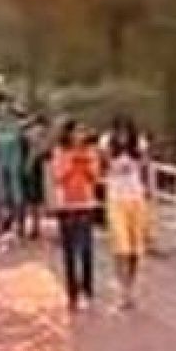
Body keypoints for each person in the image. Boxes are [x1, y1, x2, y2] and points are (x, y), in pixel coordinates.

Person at [50, 119, 102, 309]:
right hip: (66, 205)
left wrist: (87, 163)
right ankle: (72, 291)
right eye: (77, 132)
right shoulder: (60, 152)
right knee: (69, 251)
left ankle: (88, 290)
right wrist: (72, 161)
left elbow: (95, 177)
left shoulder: (91, 152)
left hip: (86, 204)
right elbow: (58, 176)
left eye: (83, 132)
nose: (80, 136)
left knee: (86, 249)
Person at [103, 118, 151, 308]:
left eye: (126, 133)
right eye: (120, 133)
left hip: (135, 197)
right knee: (121, 246)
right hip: (116, 197)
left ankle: (131, 286)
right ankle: (123, 290)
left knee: (135, 249)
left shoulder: (139, 143)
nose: (123, 137)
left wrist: (148, 190)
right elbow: (104, 164)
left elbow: (145, 166)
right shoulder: (106, 141)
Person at [0, 100, 26, 239]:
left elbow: (26, 122)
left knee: (17, 196)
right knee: (2, 196)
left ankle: (19, 226)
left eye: (5, 110)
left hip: (14, 165)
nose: (2, 113)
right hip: (0, 166)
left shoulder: (17, 126)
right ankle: (2, 225)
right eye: (0, 111)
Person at [21, 114, 50, 240]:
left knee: (33, 199)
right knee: (34, 198)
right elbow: (39, 150)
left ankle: (34, 227)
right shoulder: (36, 132)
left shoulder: (32, 132)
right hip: (33, 166)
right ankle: (34, 227)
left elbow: (38, 150)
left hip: (32, 167)